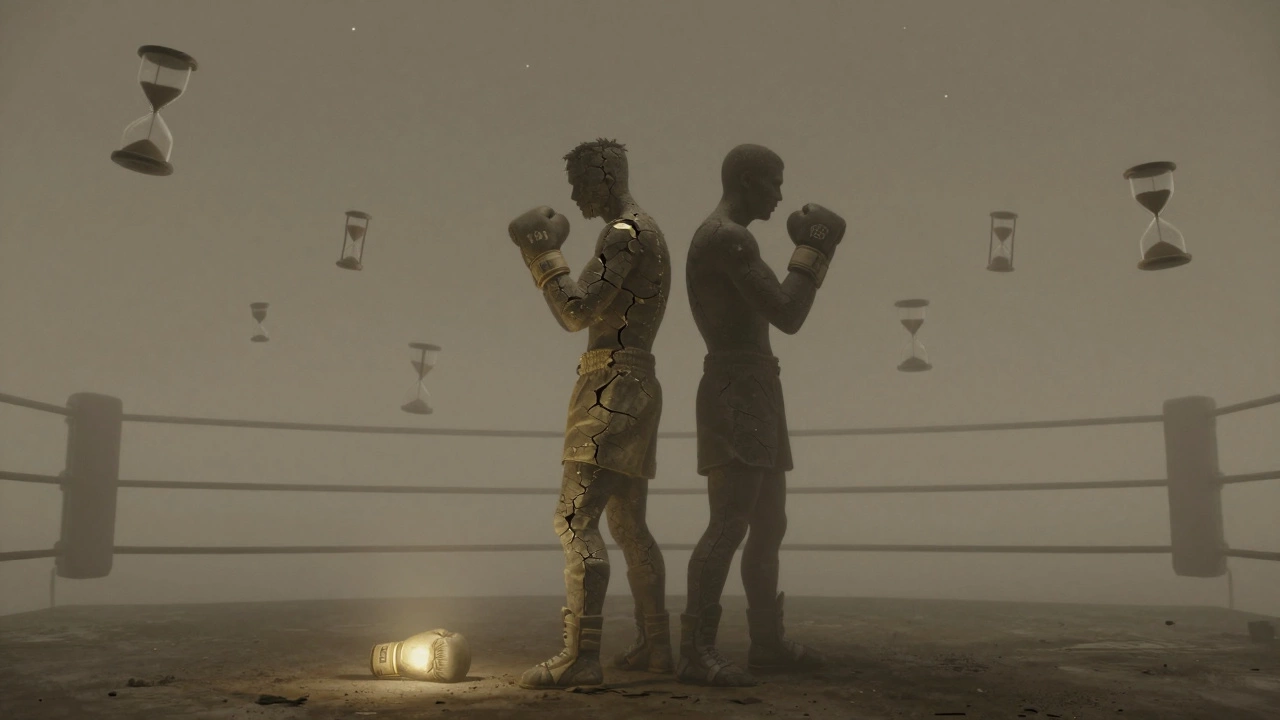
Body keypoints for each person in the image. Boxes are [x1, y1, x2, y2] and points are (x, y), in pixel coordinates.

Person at [506, 138, 673, 689]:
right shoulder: (644, 228)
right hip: (634, 380)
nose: (574, 195)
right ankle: (656, 646)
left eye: (580, 182)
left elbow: (576, 312)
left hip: (612, 382)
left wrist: (541, 253)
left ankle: (581, 656)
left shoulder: (624, 232)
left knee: (576, 520)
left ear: (604, 177)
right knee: (627, 524)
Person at [677, 143, 846, 687]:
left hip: (757, 383)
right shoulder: (727, 238)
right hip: (735, 387)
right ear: (747, 180)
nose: (780, 193)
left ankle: (766, 645)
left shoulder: (731, 237)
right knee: (730, 522)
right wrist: (816, 247)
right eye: (773, 181)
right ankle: (696, 651)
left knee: (770, 522)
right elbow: (788, 311)